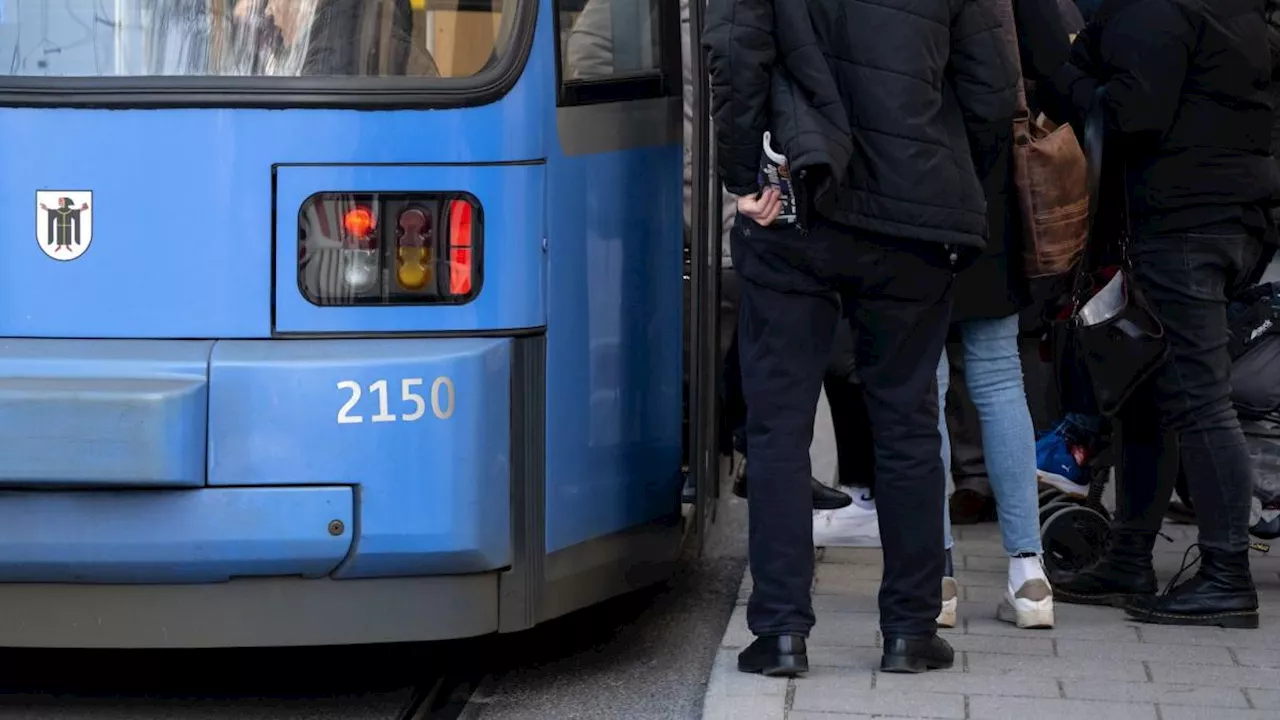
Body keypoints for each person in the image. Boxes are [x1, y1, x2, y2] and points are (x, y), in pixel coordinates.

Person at [704, 0, 1017, 676]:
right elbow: (994, 93)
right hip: (914, 216)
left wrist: (740, 176)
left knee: (779, 426)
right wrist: (947, 175)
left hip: (797, 204)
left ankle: (781, 635)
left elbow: (733, 53)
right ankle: (909, 630)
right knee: (907, 421)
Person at [1042, 0, 1280, 627]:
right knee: (1150, 386)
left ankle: (1227, 576)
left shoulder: (1153, 8)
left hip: (1185, 220)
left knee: (1199, 397)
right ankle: (1128, 556)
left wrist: (1062, 75)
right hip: (1230, 214)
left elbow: (1132, 115)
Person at [935, 0, 1072, 631]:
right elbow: (1060, 70)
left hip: (906, 190)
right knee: (997, 378)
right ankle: (1028, 573)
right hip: (990, 194)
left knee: (920, 385)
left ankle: (933, 573)